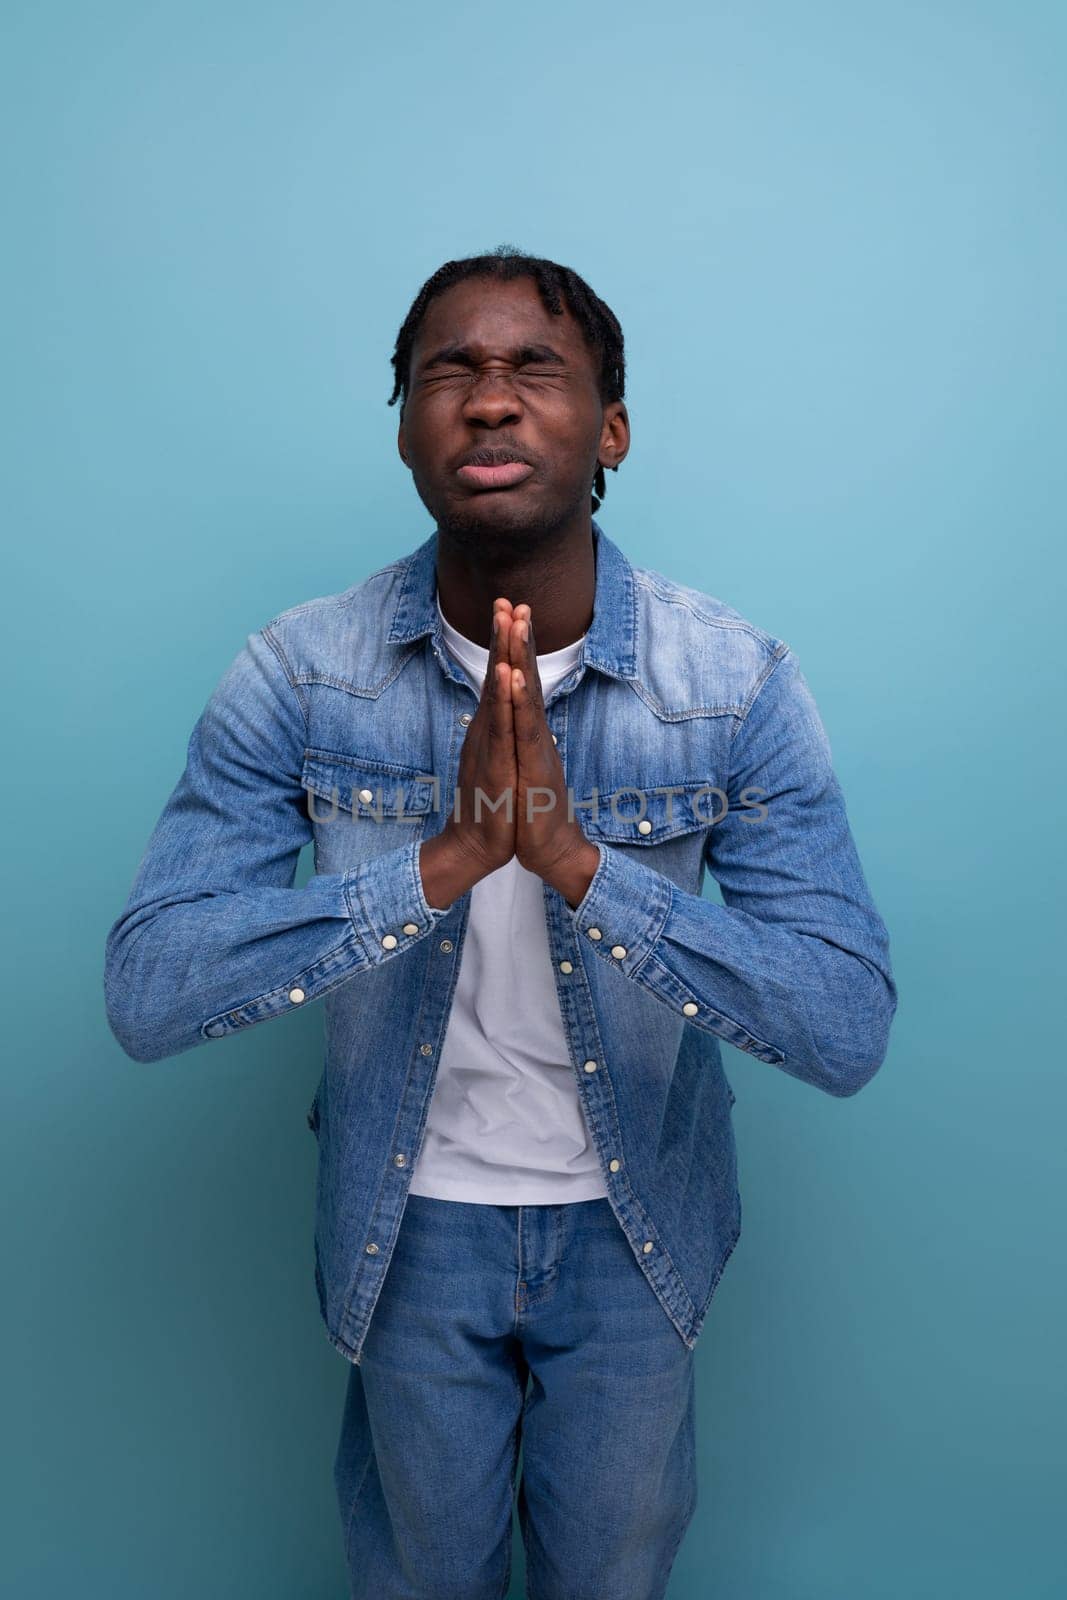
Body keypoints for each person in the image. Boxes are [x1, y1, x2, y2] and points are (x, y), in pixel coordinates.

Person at [104, 247, 897, 1600]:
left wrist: (583, 865)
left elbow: (842, 1021)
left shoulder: (732, 682)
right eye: (447, 373)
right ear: (407, 426)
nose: (489, 401)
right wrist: (444, 863)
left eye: (536, 367)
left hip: (637, 1225)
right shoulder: (301, 673)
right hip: (405, 1223)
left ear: (612, 429)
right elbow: (152, 989)